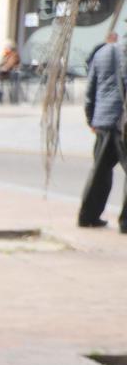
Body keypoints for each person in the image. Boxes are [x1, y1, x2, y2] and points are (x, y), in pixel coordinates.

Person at [77, 31, 125, 231]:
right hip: (123, 121)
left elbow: (91, 89)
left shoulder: (103, 52)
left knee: (100, 170)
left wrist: (91, 118)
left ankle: (88, 216)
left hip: (103, 120)